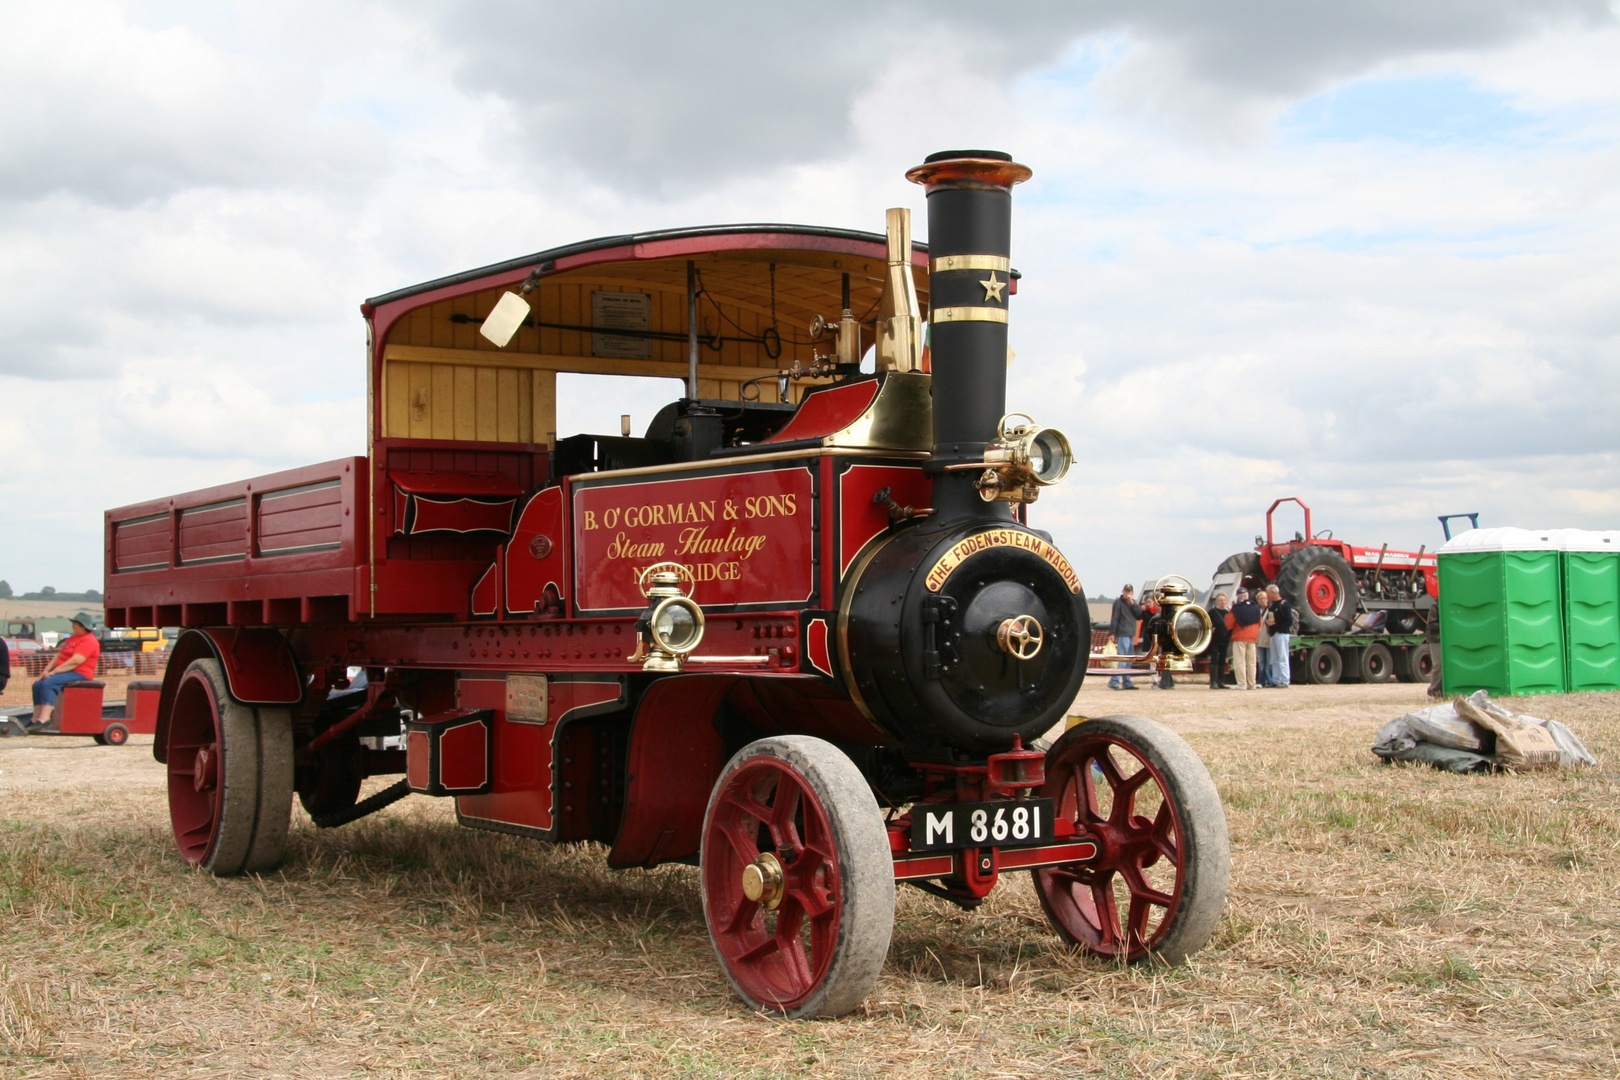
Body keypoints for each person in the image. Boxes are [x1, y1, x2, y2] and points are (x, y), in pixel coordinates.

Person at [29, 616, 100, 730]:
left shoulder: (89, 640)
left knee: (48, 684)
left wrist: (54, 672)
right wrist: (46, 671)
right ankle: (34, 719)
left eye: (75, 624)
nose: (73, 626)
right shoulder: (72, 639)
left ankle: (44, 719)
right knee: (37, 684)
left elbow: (76, 661)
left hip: (79, 672)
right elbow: (58, 656)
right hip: (65, 671)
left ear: (83, 626)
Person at [1107, 584, 1143, 690]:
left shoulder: (1133, 604)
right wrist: (1112, 633)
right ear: (1123, 591)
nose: (1127, 593)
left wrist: (1133, 603)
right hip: (1122, 633)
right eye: (1126, 591)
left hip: (1130, 634)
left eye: (1129, 591)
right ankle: (1114, 681)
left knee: (1129, 660)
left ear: (1132, 593)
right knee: (1122, 659)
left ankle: (1127, 682)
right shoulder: (1118, 603)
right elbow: (1115, 618)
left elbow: (1139, 615)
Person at [1225, 588, 1262, 690]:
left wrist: (1229, 611)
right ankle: (1252, 683)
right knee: (1252, 662)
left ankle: (1242, 684)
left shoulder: (1236, 608)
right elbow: (1260, 622)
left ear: (1238, 597)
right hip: (1252, 637)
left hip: (1239, 637)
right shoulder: (1256, 607)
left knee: (1239, 661)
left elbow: (1229, 624)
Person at [1265, 584, 1294, 688]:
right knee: (1275, 658)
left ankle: (1285, 680)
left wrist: (1279, 629)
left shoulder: (1284, 604)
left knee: (1283, 657)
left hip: (1281, 634)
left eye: (1268, 593)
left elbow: (1289, 620)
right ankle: (1276, 680)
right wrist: (1268, 623)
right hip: (1273, 634)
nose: (1267, 595)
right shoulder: (1272, 605)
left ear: (1273, 593)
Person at [1207, 592, 1232, 689]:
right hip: (1215, 640)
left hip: (1224, 640)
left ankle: (1221, 681)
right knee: (1214, 660)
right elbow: (1207, 624)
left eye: (1224, 600)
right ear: (1217, 601)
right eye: (1221, 600)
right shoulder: (1212, 612)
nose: (1223, 602)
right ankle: (1213, 682)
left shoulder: (1227, 613)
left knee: (1222, 661)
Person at [1254, 589, 1273, 687]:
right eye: (1261, 599)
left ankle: (1270, 680)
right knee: (1261, 662)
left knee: (1269, 662)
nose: (1263, 600)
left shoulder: (1270, 610)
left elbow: (1272, 622)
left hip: (1268, 638)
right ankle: (1261, 681)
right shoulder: (1257, 611)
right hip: (1259, 639)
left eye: (1265, 598)